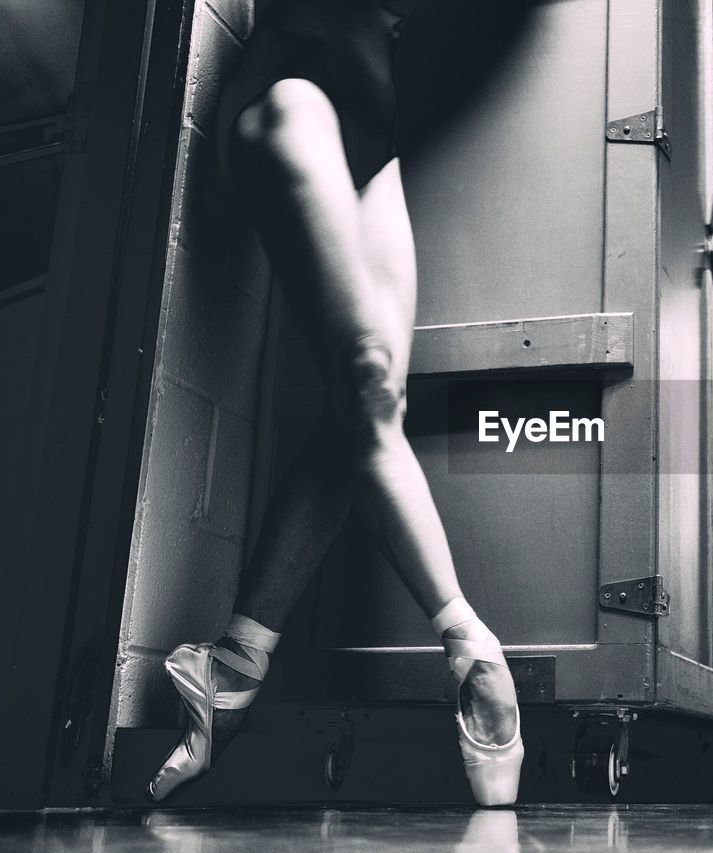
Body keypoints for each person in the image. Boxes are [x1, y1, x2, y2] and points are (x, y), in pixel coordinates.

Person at [147, 0, 529, 807]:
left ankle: (235, 664)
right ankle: (471, 646)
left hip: (372, 128)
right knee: (362, 379)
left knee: (369, 406)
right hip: (291, 94)